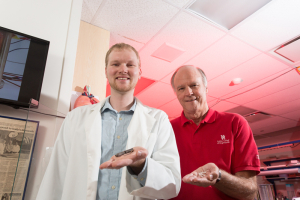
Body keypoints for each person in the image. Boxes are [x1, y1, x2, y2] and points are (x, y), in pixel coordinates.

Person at [36, 43, 181, 200]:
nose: (123, 69)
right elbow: (55, 176)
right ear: (106, 71)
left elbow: (171, 186)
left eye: (130, 64)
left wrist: (141, 166)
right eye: (116, 64)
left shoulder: (159, 119)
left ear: (139, 72)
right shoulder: (75, 118)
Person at [170, 65, 260, 200]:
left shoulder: (235, 123)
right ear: (176, 93)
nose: (188, 92)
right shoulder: (166, 129)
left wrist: (218, 177)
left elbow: (250, 192)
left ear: (206, 88)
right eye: (181, 88)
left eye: (194, 85)